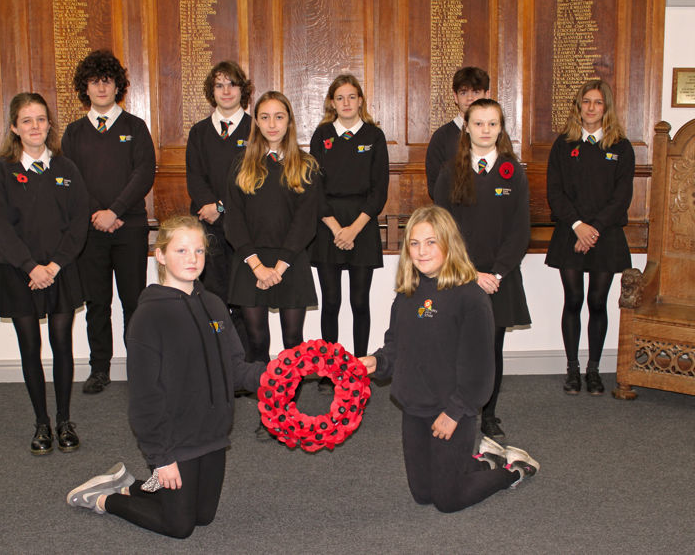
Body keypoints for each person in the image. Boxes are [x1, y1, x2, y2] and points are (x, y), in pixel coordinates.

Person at [66, 215, 266, 538]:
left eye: (198, 251)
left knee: (204, 517)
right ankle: (104, 499)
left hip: (212, 434)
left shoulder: (215, 306)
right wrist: (161, 459)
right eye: (181, 250)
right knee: (180, 526)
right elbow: (145, 399)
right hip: (175, 439)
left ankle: (131, 485)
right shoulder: (149, 317)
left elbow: (235, 369)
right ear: (160, 255)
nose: (192, 259)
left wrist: (277, 375)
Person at [360, 206, 539, 513]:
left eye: (431, 242)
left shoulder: (470, 297)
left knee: (448, 500)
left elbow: (481, 369)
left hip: (451, 409)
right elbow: (395, 347)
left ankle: (513, 471)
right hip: (414, 406)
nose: (421, 251)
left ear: (449, 244)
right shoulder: (407, 293)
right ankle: (483, 462)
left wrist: (455, 412)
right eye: (415, 243)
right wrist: (376, 362)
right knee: (422, 494)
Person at [0, 92, 89, 454]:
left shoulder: (66, 168)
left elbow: (78, 223)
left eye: (41, 119)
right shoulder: (2, 170)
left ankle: (64, 421)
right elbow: (0, 228)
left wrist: (54, 266)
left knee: (62, 345)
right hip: (19, 272)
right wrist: (31, 267)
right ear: (15, 127)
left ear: (49, 124)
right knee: (30, 347)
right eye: (27, 120)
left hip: (61, 270)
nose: (35, 126)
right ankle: (41, 424)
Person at [433, 99, 531, 440]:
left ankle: (488, 414)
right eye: (478, 123)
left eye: (492, 124)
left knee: (491, 349)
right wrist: (470, 273)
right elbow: (442, 229)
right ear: (467, 127)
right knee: (456, 348)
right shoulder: (450, 172)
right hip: (459, 275)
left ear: (500, 129)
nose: (485, 130)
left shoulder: (513, 172)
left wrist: (497, 274)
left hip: (499, 280)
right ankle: (455, 411)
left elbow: (520, 231)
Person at [224, 91, 319, 435]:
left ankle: (288, 408)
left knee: (293, 339)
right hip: (250, 263)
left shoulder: (305, 165)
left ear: (289, 121)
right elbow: (234, 220)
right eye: (264, 117)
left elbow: (305, 222)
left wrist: (279, 267)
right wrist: (257, 266)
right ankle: (269, 411)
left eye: (279, 116)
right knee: (257, 340)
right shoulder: (241, 164)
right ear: (256, 122)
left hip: (290, 262)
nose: (272, 124)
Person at [62, 49, 156, 395]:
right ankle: (99, 369)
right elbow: (70, 180)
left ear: (118, 86)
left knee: (134, 302)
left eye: (107, 81)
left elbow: (143, 174)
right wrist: (98, 214)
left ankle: (139, 369)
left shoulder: (135, 127)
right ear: (84, 88)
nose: (101, 87)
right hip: (90, 231)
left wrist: (114, 211)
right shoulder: (74, 133)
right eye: (94, 81)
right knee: (97, 303)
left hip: (129, 228)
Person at [545, 79, 635, 395]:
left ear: (606, 107)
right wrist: (578, 226)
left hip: (605, 236)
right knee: (573, 300)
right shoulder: (563, 145)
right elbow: (555, 192)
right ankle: (572, 369)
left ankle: (593, 370)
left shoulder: (621, 147)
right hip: (570, 233)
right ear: (578, 106)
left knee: (597, 302)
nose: (591, 107)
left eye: (598, 102)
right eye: (586, 101)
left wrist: (592, 228)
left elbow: (622, 197)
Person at [309, 74, 389, 379]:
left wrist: (353, 229)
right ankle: (330, 369)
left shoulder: (374, 136)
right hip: (327, 225)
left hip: (362, 225)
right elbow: (314, 188)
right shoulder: (322, 135)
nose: (346, 103)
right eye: (340, 98)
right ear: (332, 102)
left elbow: (379, 190)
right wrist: (336, 228)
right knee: (331, 302)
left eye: (351, 97)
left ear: (360, 101)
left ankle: (357, 367)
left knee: (359, 302)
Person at [186, 61, 254, 358]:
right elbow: (194, 177)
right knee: (212, 300)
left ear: (243, 90)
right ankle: (216, 362)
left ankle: (244, 366)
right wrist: (210, 208)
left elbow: (255, 179)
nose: (226, 91)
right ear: (211, 92)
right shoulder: (199, 132)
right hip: (208, 228)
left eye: (232, 84)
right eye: (219, 85)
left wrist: (222, 206)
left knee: (244, 301)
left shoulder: (256, 130)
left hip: (245, 229)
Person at [425, 66, 490, 197]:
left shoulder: (498, 135)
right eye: (463, 93)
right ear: (455, 97)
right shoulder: (441, 137)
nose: (470, 98)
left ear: (487, 95)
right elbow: (435, 188)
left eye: (476, 92)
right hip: (454, 208)